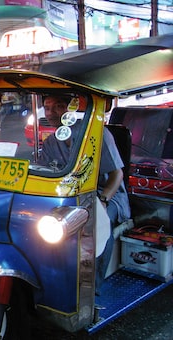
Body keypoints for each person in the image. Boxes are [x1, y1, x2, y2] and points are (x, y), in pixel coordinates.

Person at [38, 95, 131, 294]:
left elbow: (117, 175)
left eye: (59, 106)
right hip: (71, 196)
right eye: (47, 108)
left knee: (97, 222)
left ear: (71, 108)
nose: (51, 113)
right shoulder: (51, 142)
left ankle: (92, 288)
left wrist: (104, 200)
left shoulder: (98, 134)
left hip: (107, 194)